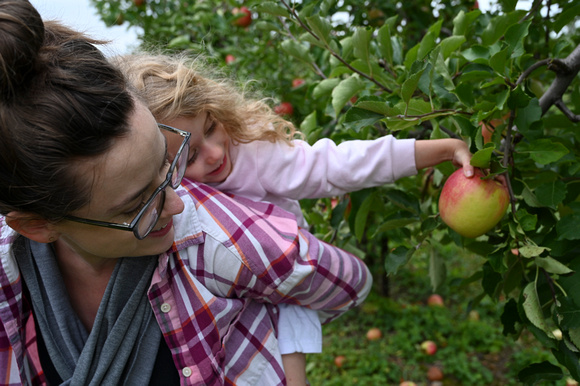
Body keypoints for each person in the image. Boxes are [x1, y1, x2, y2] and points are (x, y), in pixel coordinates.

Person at [0, 1, 372, 385]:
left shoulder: (221, 240)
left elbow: (347, 283)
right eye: (137, 203)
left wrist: (279, 325)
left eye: (167, 161)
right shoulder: (7, 272)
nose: (178, 203)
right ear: (37, 225)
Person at [114, 53, 475, 384]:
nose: (213, 153)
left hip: (280, 282)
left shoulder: (256, 155)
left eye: (211, 127)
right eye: (188, 158)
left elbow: (337, 165)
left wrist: (438, 150)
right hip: (221, 297)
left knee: (290, 353)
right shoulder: (174, 199)